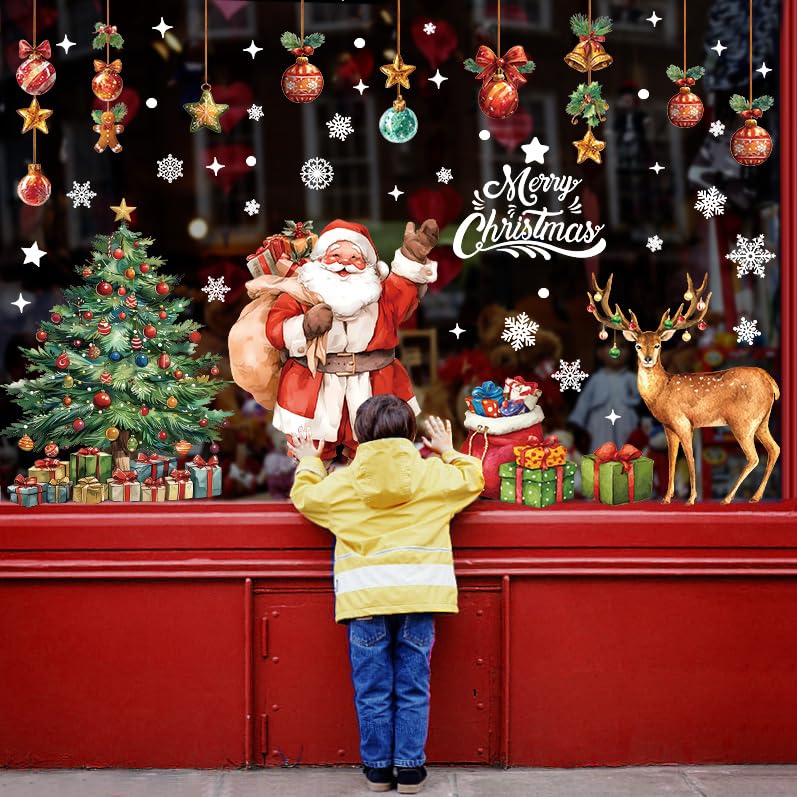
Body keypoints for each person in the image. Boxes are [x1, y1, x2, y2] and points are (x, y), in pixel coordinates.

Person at [288, 394, 485, 793]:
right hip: (419, 597)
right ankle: (410, 770)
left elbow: (306, 498)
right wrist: (449, 452)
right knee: (414, 684)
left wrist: (311, 461)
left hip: (365, 600)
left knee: (372, 687)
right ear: (411, 433)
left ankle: (378, 770)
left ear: (359, 436)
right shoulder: (431, 475)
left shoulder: (343, 482)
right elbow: (473, 480)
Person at [267, 218, 440, 460]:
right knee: (312, 454)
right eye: (335, 255)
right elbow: (276, 330)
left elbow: (404, 288)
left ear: (368, 264)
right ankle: (315, 487)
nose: (345, 263)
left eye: (354, 257)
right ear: (319, 261)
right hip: (314, 388)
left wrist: (412, 257)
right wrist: (304, 327)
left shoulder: (380, 296)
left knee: (376, 450)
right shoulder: (301, 293)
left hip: (373, 385)